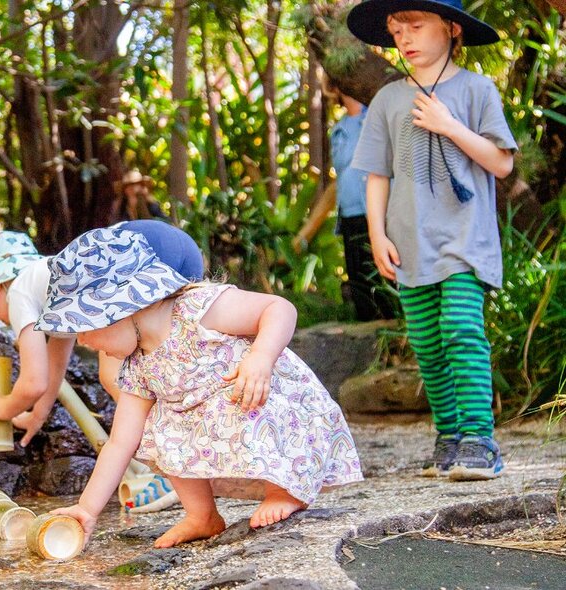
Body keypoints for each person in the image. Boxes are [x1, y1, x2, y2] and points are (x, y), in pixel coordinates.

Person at [37, 227, 362, 548]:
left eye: (83, 328)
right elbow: (120, 443)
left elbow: (278, 308)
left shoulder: (196, 309)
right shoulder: (138, 366)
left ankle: (284, 490)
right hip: (225, 415)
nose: (82, 342)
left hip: (272, 399)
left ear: (119, 312)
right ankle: (202, 515)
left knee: (243, 388)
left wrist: (261, 358)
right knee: (157, 428)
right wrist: (87, 508)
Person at [347, 0, 517, 480]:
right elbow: (377, 175)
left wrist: (449, 125)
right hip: (409, 243)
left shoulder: (477, 89)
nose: (404, 37)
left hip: (465, 240)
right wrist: (377, 235)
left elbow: (502, 163)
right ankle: (449, 435)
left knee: (462, 331)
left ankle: (479, 439)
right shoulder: (387, 100)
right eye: (395, 29)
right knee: (426, 342)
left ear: (451, 29)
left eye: (416, 26)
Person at [0, 222, 203, 510]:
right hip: (172, 246)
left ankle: (169, 470)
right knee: (160, 372)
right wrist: (36, 416)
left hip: (136, 251)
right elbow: (56, 366)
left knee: (120, 382)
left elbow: (34, 381)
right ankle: (193, 463)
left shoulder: (18, 291)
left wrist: (5, 407)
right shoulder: (51, 282)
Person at [323, 77, 397, 321]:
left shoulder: (376, 117)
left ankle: (395, 328)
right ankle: (368, 330)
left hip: (378, 211)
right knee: (359, 277)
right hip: (350, 213)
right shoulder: (339, 130)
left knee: (385, 274)